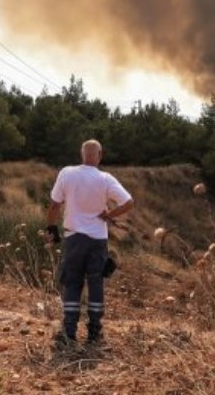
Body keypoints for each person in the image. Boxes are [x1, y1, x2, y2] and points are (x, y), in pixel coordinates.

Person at [46, 139, 134, 347]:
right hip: (98, 239)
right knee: (96, 283)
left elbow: (54, 205)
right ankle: (94, 333)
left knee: (72, 282)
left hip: (74, 237)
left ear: (81, 154)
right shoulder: (105, 178)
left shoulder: (67, 173)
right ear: (100, 155)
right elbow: (129, 202)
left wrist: (51, 227)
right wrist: (109, 215)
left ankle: (69, 332)